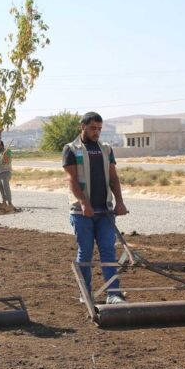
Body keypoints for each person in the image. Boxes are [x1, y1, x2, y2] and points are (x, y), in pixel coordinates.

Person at [62, 111, 129, 304]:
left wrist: (120, 202)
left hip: (105, 211)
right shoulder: (71, 149)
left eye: (99, 129)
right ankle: (85, 292)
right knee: (86, 252)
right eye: (93, 128)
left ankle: (113, 294)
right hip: (81, 212)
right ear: (82, 126)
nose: (96, 132)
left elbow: (113, 178)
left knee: (108, 250)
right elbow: (72, 180)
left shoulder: (106, 149)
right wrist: (84, 203)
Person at [0, 140, 13, 206]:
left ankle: (9, 201)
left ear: (2, 145)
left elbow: (7, 160)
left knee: (6, 187)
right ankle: (4, 201)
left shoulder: (8, 151)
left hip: (6, 172)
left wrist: (4, 154)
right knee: (1, 188)